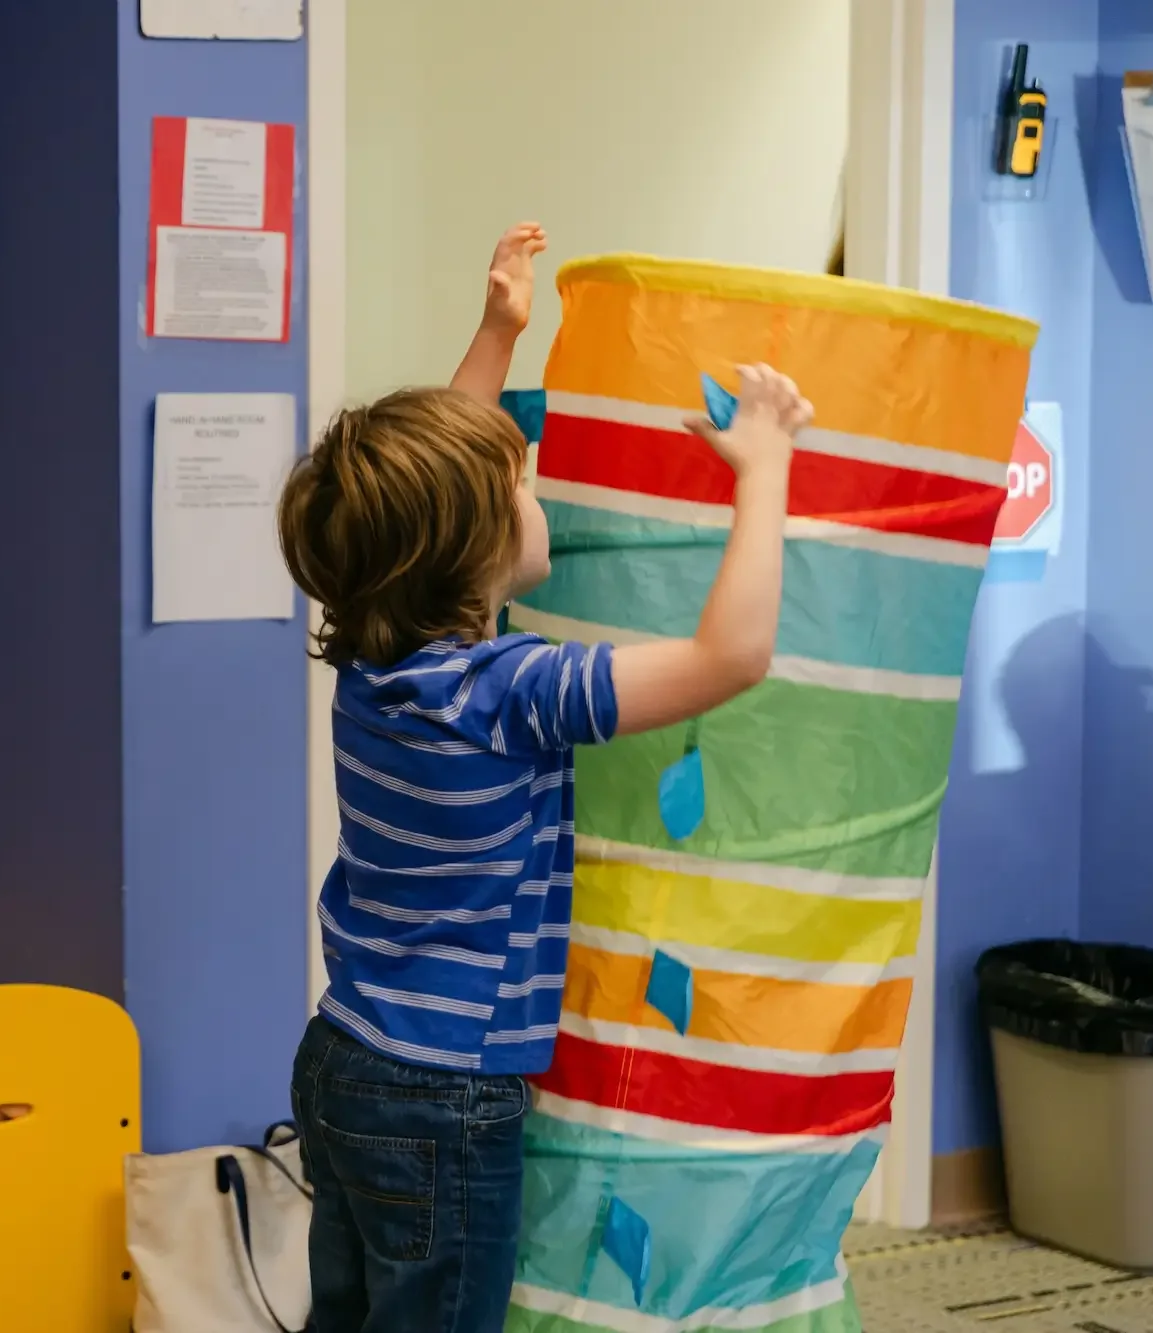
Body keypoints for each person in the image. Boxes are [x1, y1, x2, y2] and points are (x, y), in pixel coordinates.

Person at [278, 222, 813, 1333]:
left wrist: (496, 331)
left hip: (342, 1060)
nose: (536, 492)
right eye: (517, 486)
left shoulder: (377, 660)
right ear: (470, 550)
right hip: (442, 1095)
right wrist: (763, 474)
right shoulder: (510, 692)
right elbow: (730, 657)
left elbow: (437, 488)